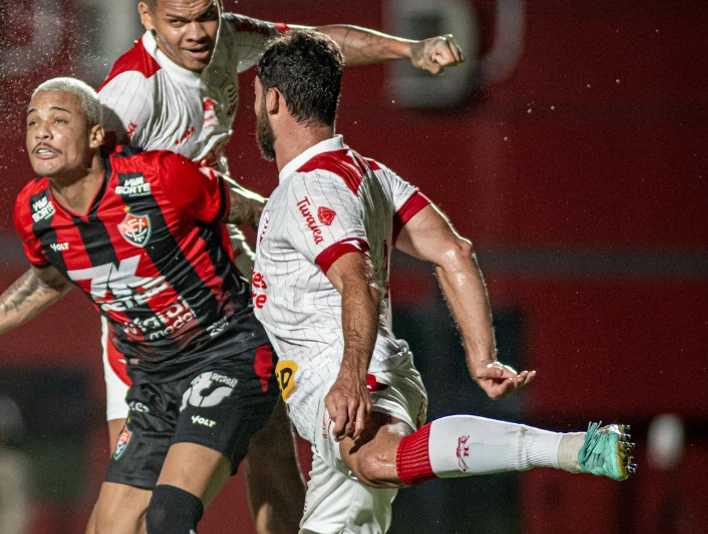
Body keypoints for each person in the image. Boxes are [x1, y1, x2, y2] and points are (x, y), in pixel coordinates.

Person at [95, 0, 466, 533]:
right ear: (146, 17)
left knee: (271, 430)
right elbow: (98, 197)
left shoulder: (225, 39)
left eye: (206, 15)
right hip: (148, 300)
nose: (197, 34)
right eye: (178, 22)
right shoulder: (132, 94)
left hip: (218, 274)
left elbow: (319, 44)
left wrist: (409, 48)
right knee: (133, 500)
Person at [248, 29, 635, 534]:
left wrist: (349, 376)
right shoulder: (367, 174)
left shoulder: (309, 186)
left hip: (350, 386)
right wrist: (482, 355)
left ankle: (572, 448)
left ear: (273, 99)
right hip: (355, 387)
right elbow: (454, 250)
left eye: (255, 95)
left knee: (376, 460)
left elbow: (357, 281)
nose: (251, 105)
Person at [0, 77, 276, 534]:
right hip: (155, 382)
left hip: (226, 357)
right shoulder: (34, 213)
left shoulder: (159, 178)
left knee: (168, 515)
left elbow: (258, 210)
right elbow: (47, 281)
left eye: (59, 121)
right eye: (33, 122)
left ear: (96, 135)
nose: (42, 132)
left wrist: (299, 287)